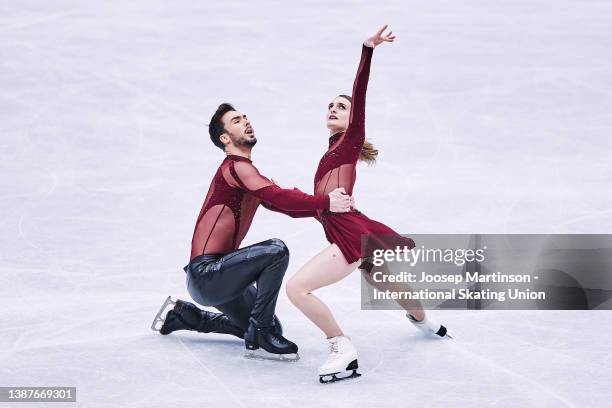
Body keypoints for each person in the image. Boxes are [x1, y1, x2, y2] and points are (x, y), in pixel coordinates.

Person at [263, 26, 450, 381]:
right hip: (355, 228)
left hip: (349, 235)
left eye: (342, 106)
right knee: (385, 282)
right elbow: (317, 205)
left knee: (297, 289)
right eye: (331, 105)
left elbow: (359, 93)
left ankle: (341, 347)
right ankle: (426, 322)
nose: (334, 108)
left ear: (353, 119)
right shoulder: (332, 151)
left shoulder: (349, 141)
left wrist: (367, 50)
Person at [151, 103, 354, 361]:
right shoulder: (236, 168)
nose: (246, 121)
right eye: (236, 120)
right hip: (207, 274)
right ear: (225, 138)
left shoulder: (247, 173)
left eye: (245, 117)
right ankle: (261, 332)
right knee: (275, 251)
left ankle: (188, 316)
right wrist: (326, 203)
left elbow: (286, 206)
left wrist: (335, 213)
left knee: (262, 326)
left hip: (221, 277)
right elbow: (278, 195)